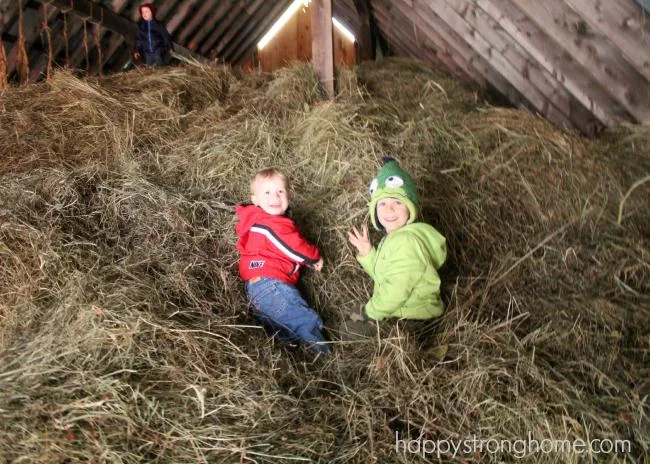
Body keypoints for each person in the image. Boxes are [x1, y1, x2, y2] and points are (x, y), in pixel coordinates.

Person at [344, 157, 447, 338]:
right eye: (382, 203)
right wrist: (368, 254)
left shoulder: (406, 242)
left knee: (353, 329)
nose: (389, 210)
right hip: (406, 310)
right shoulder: (394, 239)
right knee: (352, 317)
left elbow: (395, 291)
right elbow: (387, 275)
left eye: (397, 202)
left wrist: (370, 313)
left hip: (414, 318)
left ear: (410, 209)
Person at [235, 168, 331, 354]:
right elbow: (294, 246)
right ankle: (328, 357)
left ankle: (298, 356)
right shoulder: (273, 224)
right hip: (272, 286)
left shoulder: (256, 220)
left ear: (289, 194)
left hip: (256, 289)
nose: (275, 197)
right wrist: (314, 257)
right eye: (267, 193)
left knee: (285, 330)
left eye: (280, 191)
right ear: (255, 199)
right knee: (304, 320)